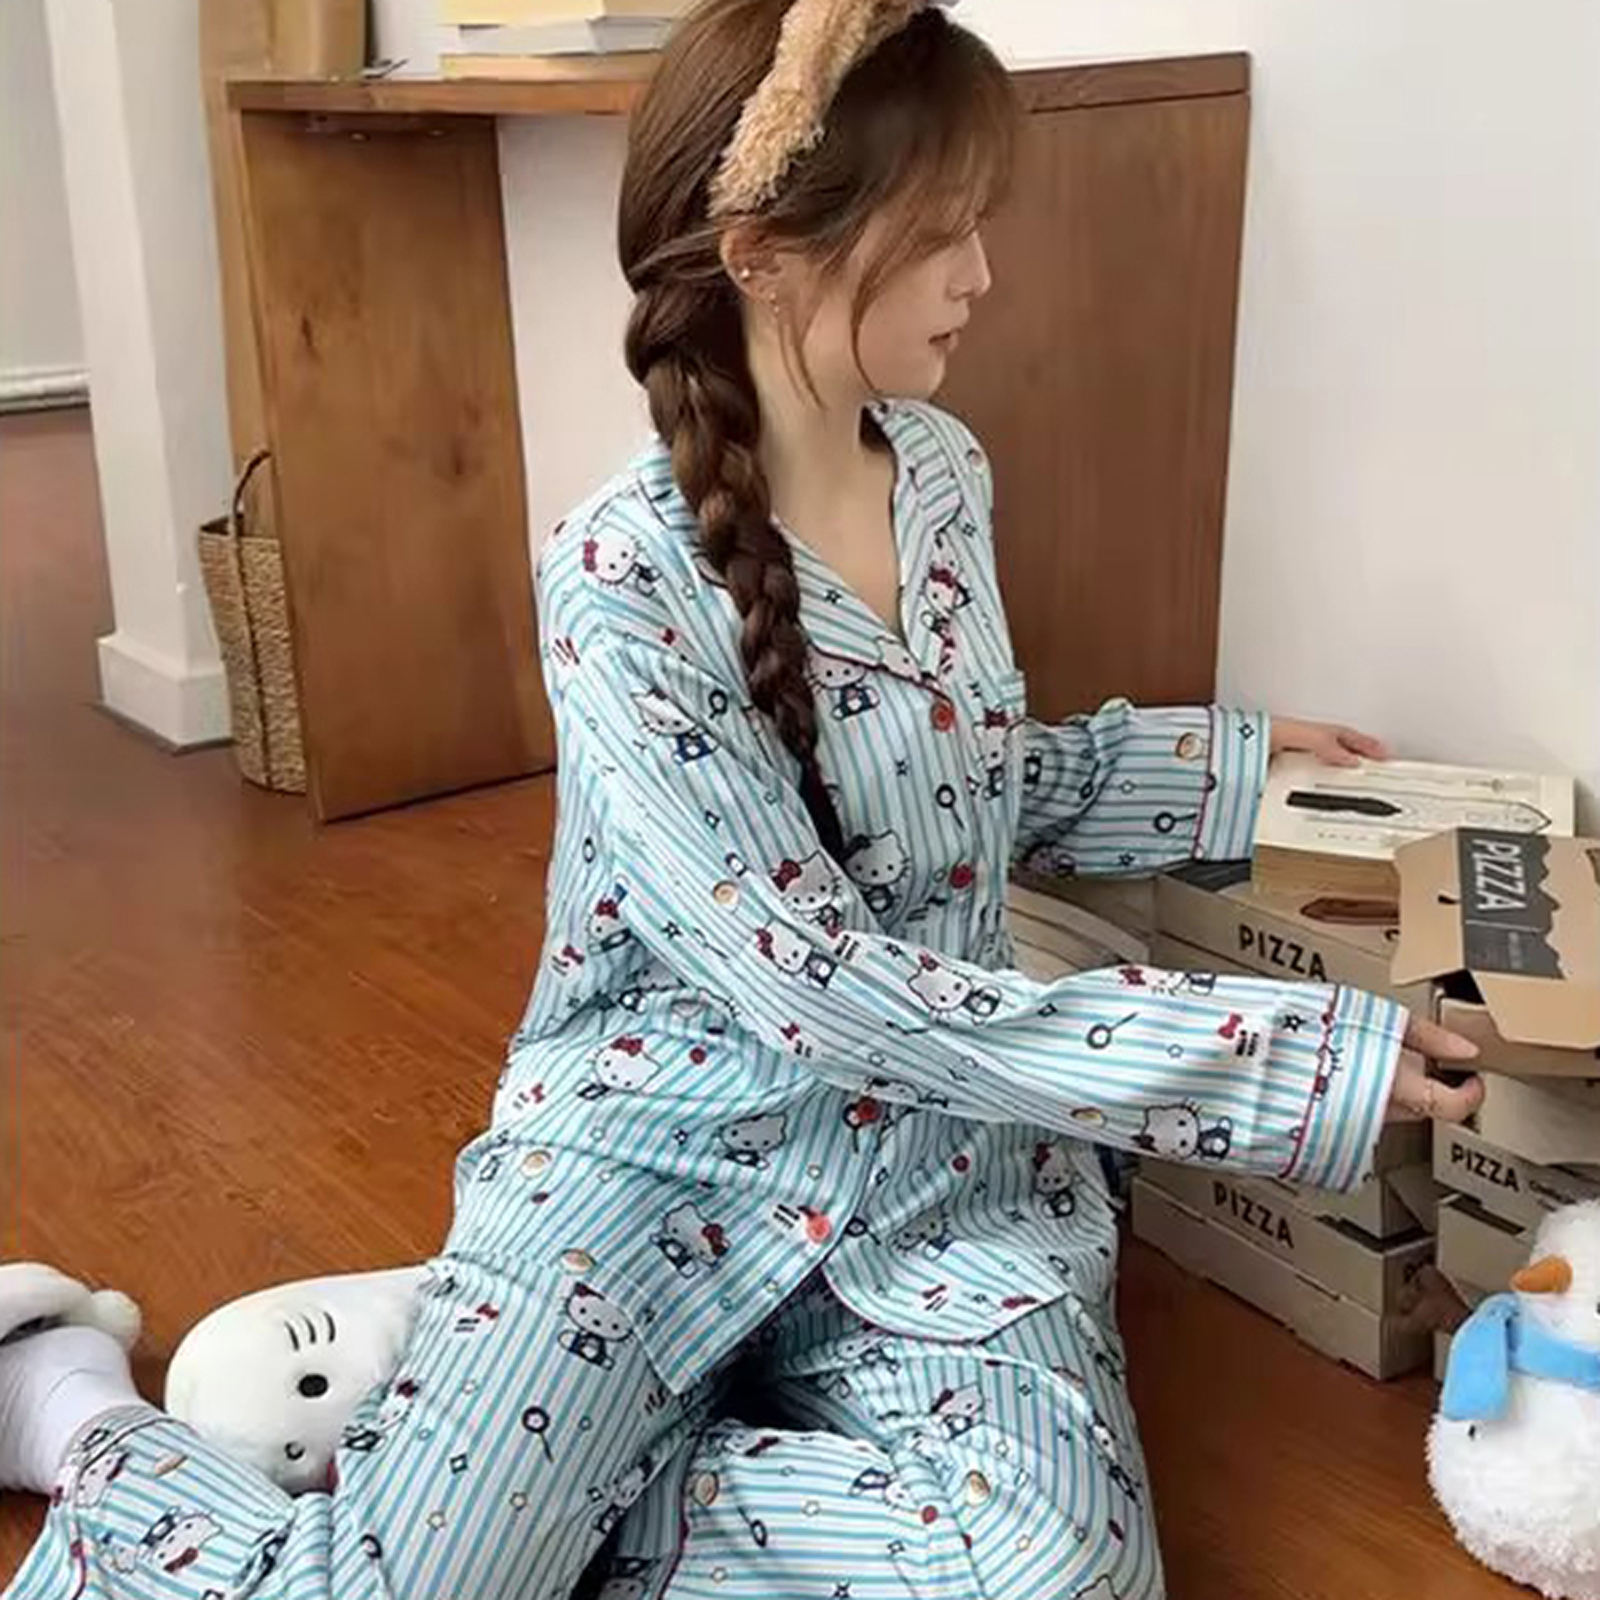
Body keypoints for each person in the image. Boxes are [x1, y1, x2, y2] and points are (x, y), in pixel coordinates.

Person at [0, 2, 1482, 1597]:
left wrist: (1241, 770)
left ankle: (510, 1468)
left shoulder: (945, 478)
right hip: (663, 1160)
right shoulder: (618, 576)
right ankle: (75, 1410)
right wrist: (1274, 1055)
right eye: (942, 234)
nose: (982, 276)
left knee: (1050, 1576)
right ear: (764, 255)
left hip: (944, 1178)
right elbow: (814, 982)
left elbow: (966, 792)